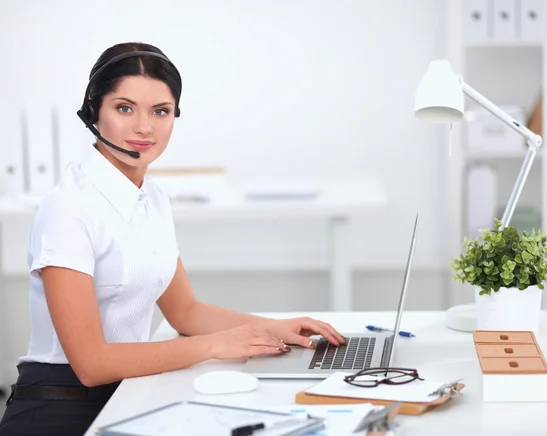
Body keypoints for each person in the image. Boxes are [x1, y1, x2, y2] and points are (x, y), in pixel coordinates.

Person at [0, 41, 346, 436]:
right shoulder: (67, 209)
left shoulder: (153, 198)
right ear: (94, 110)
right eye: (125, 108)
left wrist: (273, 328)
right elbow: (91, 364)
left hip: (128, 394)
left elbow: (186, 312)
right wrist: (217, 345)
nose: (144, 127)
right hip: (59, 407)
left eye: (160, 112)